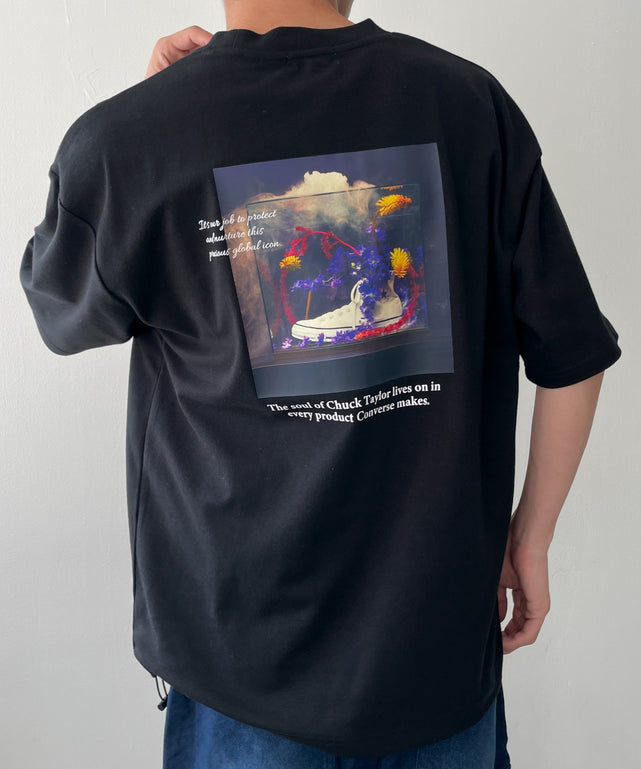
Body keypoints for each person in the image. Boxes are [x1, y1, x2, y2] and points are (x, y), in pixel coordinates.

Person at [20, 1, 621, 767]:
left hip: (238, 659)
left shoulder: (129, 139)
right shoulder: (469, 104)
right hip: (435, 642)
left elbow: (62, 313)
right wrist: (528, 540)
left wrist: (150, 126)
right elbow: (573, 353)